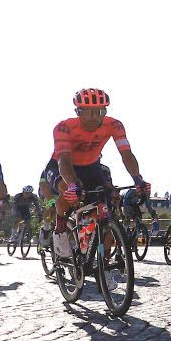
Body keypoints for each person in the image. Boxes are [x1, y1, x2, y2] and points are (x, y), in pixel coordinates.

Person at [43, 88, 143, 258]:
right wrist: (73, 184)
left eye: (100, 111)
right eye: (89, 112)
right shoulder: (64, 127)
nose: (95, 117)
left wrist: (137, 179)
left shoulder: (114, 124)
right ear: (78, 112)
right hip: (62, 165)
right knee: (67, 188)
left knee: (103, 203)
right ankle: (60, 229)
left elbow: (126, 154)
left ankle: (101, 263)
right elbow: (64, 160)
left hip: (91, 166)